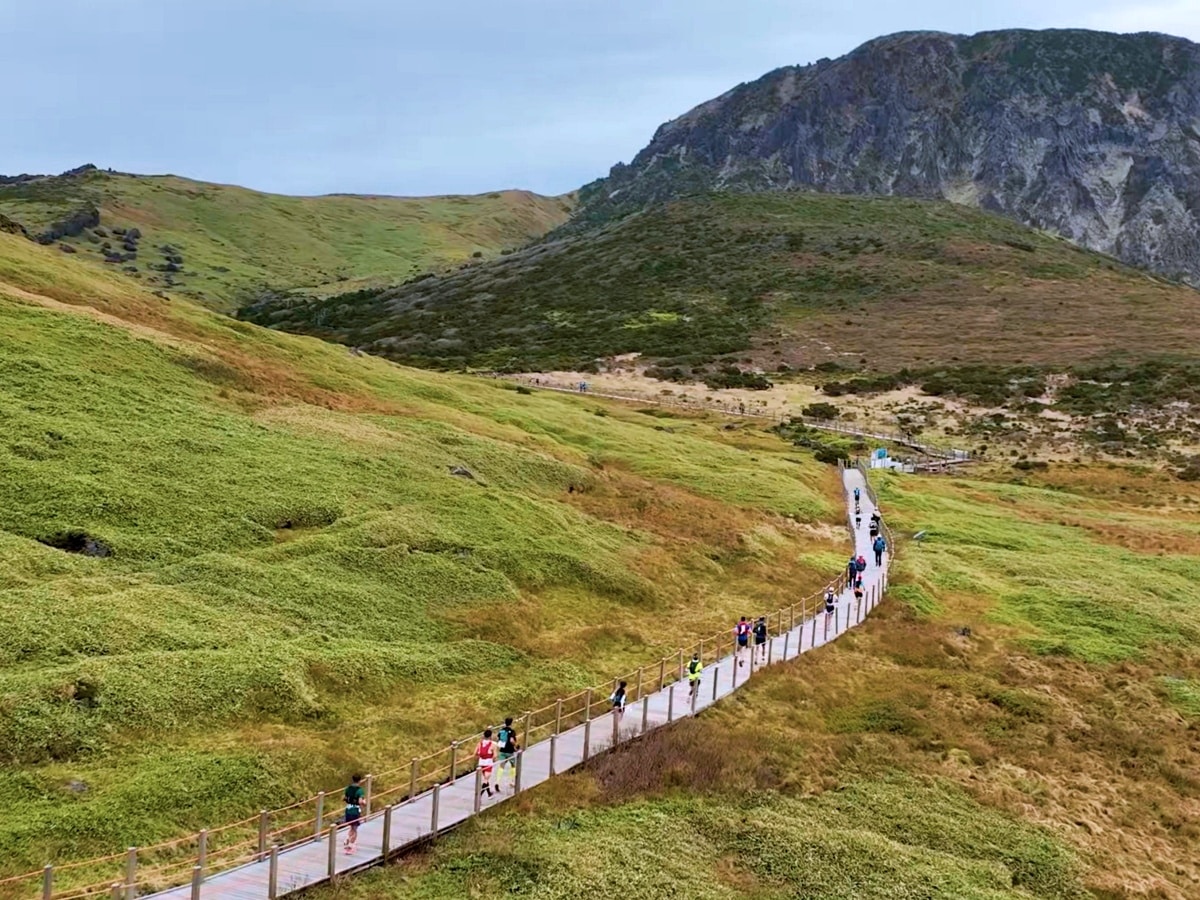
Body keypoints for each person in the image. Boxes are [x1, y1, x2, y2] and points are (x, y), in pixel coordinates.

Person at [342, 774, 365, 854]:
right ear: (360, 780)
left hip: (348, 809)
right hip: (355, 811)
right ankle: (350, 846)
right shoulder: (359, 790)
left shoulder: (348, 788)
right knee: (355, 829)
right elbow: (360, 801)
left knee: (351, 827)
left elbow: (344, 798)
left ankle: (347, 838)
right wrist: (364, 803)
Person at [495, 717, 519, 793]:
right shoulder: (511, 731)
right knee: (513, 766)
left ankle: (497, 782)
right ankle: (512, 781)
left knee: (501, 767)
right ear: (511, 723)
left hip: (502, 751)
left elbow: (498, 739)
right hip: (510, 751)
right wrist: (515, 746)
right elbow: (511, 740)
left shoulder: (501, 730)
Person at [475, 729, 497, 798]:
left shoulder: (479, 743)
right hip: (488, 763)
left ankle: (489, 794)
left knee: (486, 779)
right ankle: (479, 795)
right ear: (490, 736)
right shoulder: (493, 744)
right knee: (486, 780)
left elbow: (475, 753)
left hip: (481, 763)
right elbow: (495, 755)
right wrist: (493, 760)